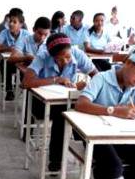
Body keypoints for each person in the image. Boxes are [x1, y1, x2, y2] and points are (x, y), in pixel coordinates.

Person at [75, 46, 135, 179]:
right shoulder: (102, 78)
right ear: (128, 63)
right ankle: (100, 177)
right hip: (94, 136)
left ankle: (117, 175)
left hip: (120, 136)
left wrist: (129, 108)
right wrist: (114, 110)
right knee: (114, 166)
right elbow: (80, 104)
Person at [22, 33, 98, 171]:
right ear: (51, 56)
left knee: (81, 111)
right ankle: (56, 159)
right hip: (41, 103)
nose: (65, 62)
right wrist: (56, 79)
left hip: (67, 100)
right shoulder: (43, 56)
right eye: (59, 59)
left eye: (68, 57)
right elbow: (26, 82)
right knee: (64, 115)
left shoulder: (77, 53)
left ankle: (93, 153)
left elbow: (97, 76)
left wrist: (87, 85)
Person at [0, 8, 30, 100]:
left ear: (21, 25)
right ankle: (9, 90)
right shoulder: (4, 33)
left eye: (14, 22)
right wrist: (8, 48)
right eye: (10, 21)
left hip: (21, 61)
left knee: (26, 67)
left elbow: (30, 49)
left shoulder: (26, 34)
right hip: (9, 61)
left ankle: (25, 88)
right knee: (5, 64)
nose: (11, 24)